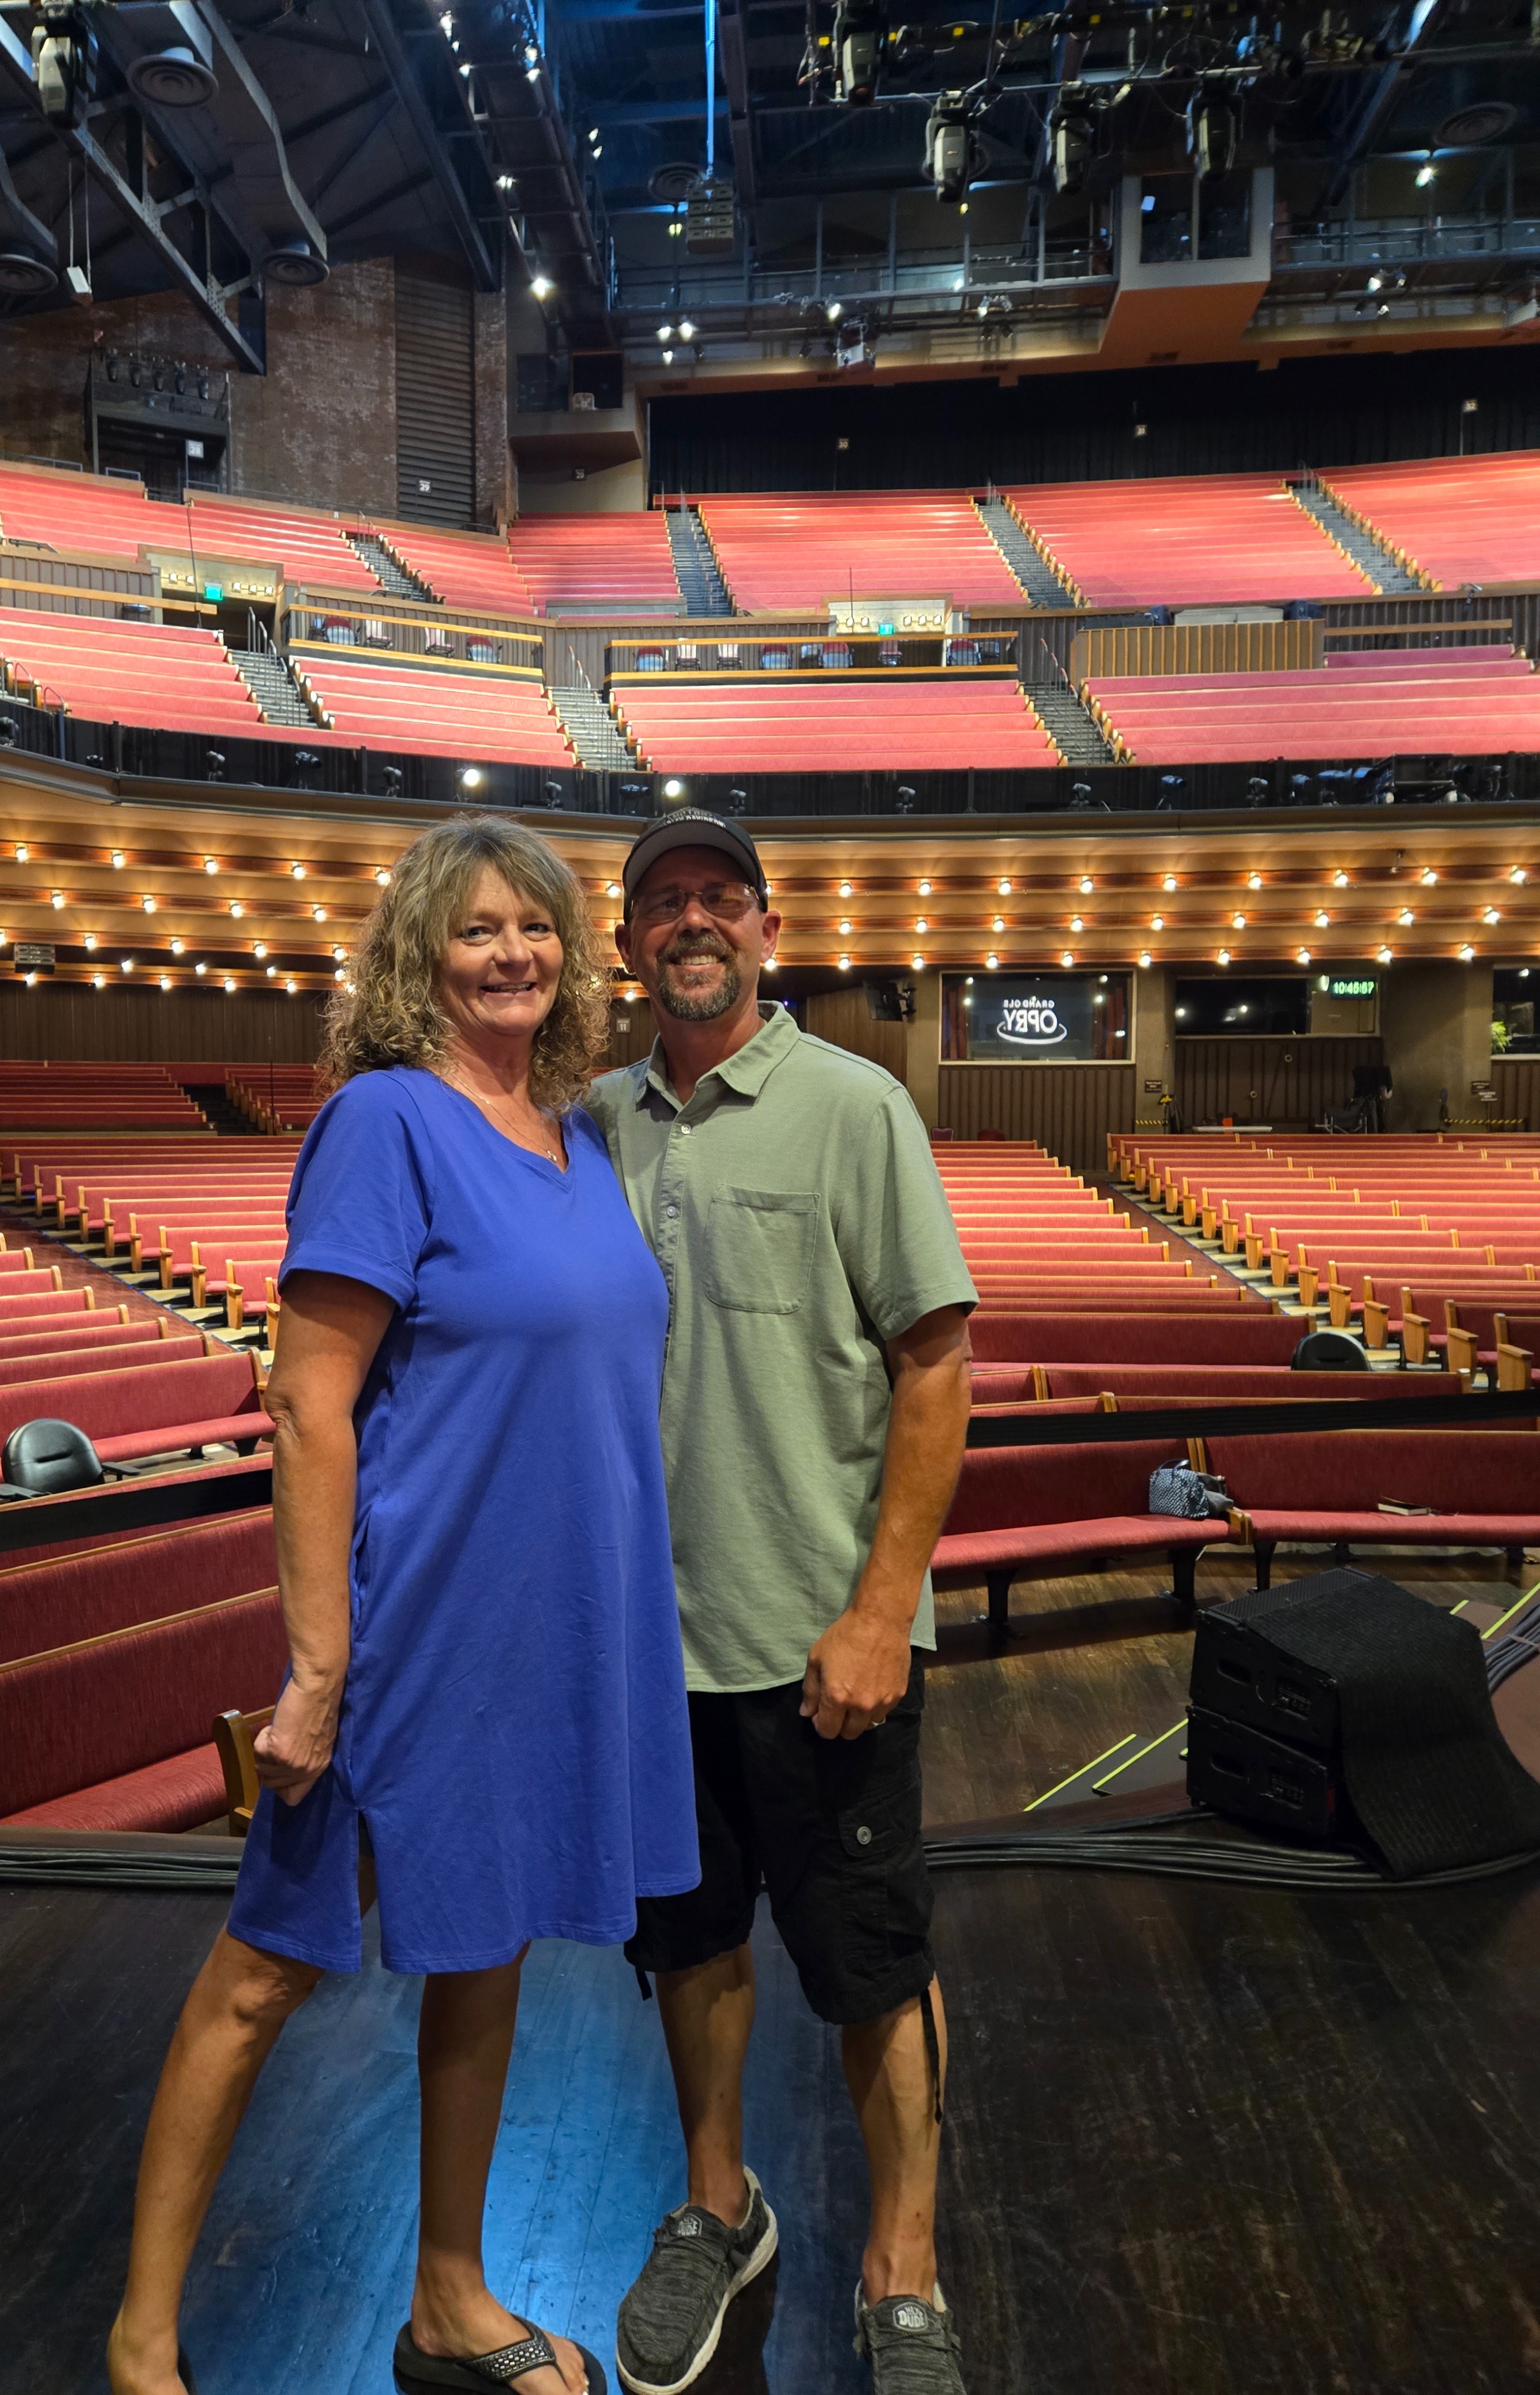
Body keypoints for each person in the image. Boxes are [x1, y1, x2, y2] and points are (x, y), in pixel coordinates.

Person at [108, 816, 700, 2395]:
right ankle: (143, 2340)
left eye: (537, 925)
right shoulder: (384, 1121)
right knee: (264, 1971)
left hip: (551, 1627)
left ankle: (449, 2292)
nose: (513, 952)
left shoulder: (574, 1136)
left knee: (484, 1951)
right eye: (476, 928)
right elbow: (308, 1404)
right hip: (416, 1626)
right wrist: (318, 1667)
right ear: (417, 958)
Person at [583, 810, 978, 2395]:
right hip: (649, 1654)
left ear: (766, 926)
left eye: (719, 897)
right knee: (690, 1949)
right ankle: (717, 2206)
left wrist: (882, 1610)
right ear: (629, 944)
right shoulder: (590, 1124)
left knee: (874, 1966)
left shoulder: (855, 1105)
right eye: (663, 902)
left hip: (824, 1646)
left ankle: (905, 2269)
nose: (692, 920)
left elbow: (934, 1365)